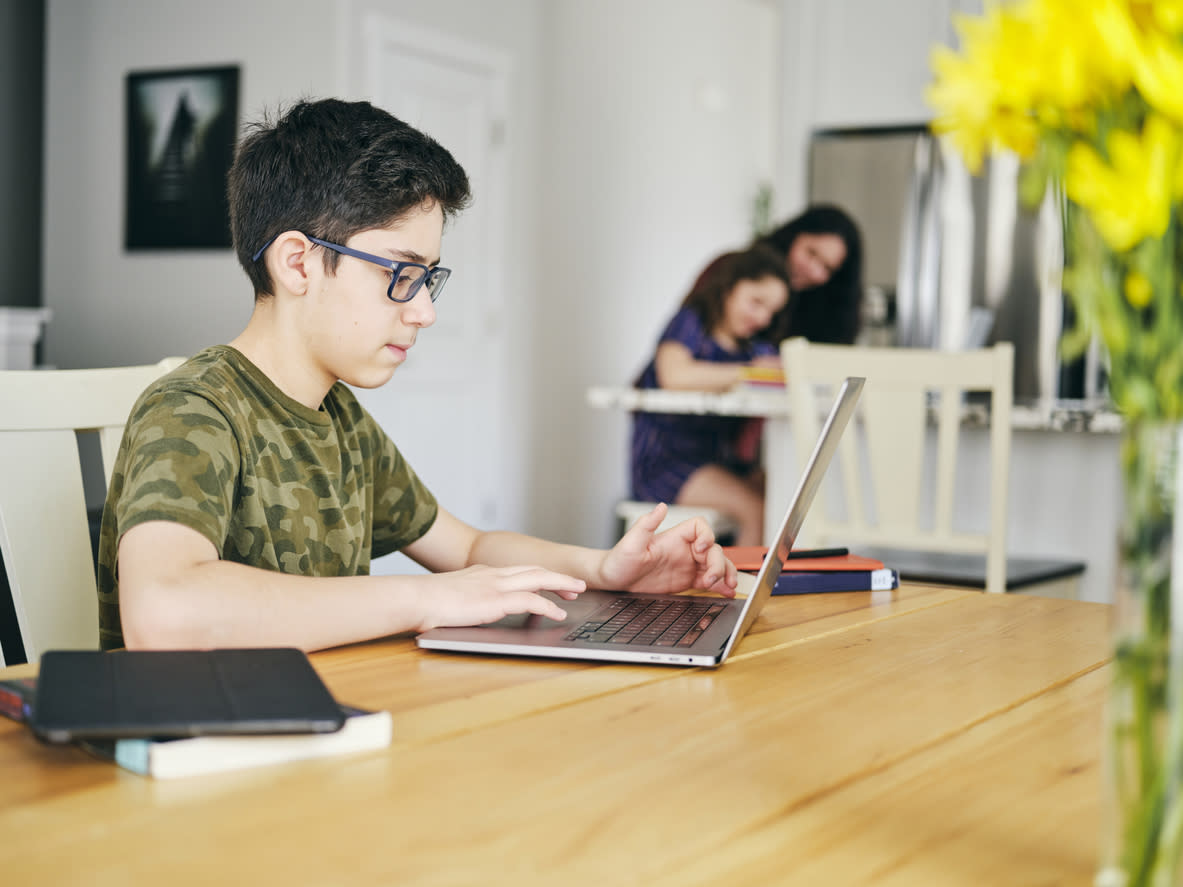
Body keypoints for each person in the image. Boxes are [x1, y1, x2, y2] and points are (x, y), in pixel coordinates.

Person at [96, 98, 738, 653]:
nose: (425, 311)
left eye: (428, 279)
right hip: (196, 765)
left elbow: (467, 550)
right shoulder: (194, 410)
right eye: (399, 275)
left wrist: (604, 568)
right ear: (298, 264)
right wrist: (426, 600)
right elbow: (165, 614)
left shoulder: (340, 420)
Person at [630, 245, 790, 547]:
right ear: (730, 286)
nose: (763, 318)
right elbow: (674, 376)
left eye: (772, 312)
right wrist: (750, 372)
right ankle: (743, 592)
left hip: (719, 462)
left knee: (787, 494)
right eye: (756, 302)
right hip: (667, 463)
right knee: (756, 509)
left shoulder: (754, 348)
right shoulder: (691, 324)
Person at [691, 203, 864, 345]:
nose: (813, 270)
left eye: (827, 268)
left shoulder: (826, 314)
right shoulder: (731, 267)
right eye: (811, 253)